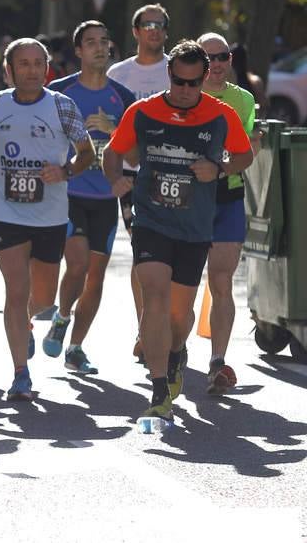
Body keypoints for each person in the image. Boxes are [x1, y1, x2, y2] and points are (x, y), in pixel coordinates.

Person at [103, 40, 253, 421]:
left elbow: (244, 154)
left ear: (204, 79)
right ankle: (157, 388)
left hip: (195, 225)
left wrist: (218, 169)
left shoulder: (221, 115)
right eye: (178, 82)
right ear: (169, 74)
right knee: (154, 296)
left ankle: (176, 354)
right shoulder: (144, 111)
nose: (185, 91)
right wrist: (116, 180)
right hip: (152, 221)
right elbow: (114, 151)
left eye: (193, 84)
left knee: (178, 313)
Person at [0, 38, 95, 400]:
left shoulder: (62, 106)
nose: (31, 71)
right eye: (24, 64)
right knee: (15, 292)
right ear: (9, 70)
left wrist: (64, 172)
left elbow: (86, 153)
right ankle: (20, 373)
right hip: (5, 211)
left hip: (49, 213)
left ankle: (29, 324)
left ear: (46, 69)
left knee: (43, 297)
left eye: (38, 64)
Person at [46, 21, 135, 374]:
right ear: (78, 51)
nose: (99, 48)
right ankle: (62, 314)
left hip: (104, 197)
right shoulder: (58, 92)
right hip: (69, 193)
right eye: (91, 43)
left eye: (104, 41)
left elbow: (135, 153)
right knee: (78, 265)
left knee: (95, 276)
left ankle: (76, 348)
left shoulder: (123, 97)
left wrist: (114, 132)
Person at [107, 3, 172, 361]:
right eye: (147, 24)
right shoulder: (119, 73)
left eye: (159, 25)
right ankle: (145, 327)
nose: (153, 30)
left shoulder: (176, 69)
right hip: (135, 174)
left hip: (175, 172)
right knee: (143, 250)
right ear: (135, 31)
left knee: (173, 252)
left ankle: (168, 327)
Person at [197, 32, 258, 395]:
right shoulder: (182, 95)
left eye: (223, 57)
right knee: (182, 288)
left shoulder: (243, 100)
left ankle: (217, 361)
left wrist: (230, 160)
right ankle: (174, 352)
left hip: (227, 197)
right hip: (187, 201)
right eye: (209, 58)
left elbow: (244, 148)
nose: (217, 64)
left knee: (221, 282)